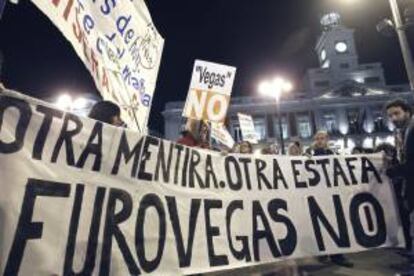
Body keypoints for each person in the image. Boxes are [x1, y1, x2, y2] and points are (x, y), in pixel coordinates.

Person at [307, 131, 353, 267]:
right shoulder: (309, 155)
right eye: (317, 139)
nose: (320, 141)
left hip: (331, 195)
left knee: (335, 224)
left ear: (327, 140)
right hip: (316, 194)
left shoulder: (333, 155)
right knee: (319, 224)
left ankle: (337, 255)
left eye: (322, 138)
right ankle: (322, 252)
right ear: (315, 140)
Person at [384, 99, 414, 254]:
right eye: (390, 116)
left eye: (397, 113)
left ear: (407, 112)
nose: (393, 118)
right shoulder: (401, 134)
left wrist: (397, 170)